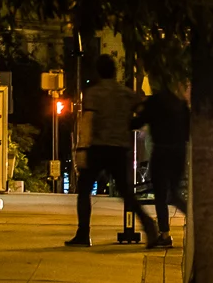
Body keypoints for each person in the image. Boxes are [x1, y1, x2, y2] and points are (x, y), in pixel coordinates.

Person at [66, 55, 153, 248]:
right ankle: (149, 226)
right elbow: (143, 111)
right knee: (127, 193)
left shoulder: (93, 93)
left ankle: (83, 233)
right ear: (114, 71)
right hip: (120, 148)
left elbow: (88, 122)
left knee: (85, 191)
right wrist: (130, 124)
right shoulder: (125, 93)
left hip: (98, 147)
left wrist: (81, 149)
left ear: (99, 71)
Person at [133, 80, 189, 250]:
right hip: (178, 152)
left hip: (160, 152)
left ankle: (164, 234)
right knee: (174, 194)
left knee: (160, 195)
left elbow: (138, 122)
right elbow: (188, 130)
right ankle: (196, 223)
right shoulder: (180, 104)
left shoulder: (154, 102)